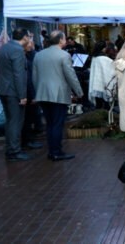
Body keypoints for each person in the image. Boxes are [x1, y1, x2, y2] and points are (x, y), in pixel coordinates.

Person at [33, 30, 84, 161]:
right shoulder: (64, 55)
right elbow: (70, 75)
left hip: (42, 93)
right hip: (58, 94)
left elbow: (34, 76)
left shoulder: (39, 55)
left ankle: (52, 150)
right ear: (61, 40)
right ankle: (56, 151)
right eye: (65, 38)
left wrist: (37, 91)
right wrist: (79, 91)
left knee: (50, 124)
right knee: (57, 124)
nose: (66, 40)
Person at [0, 27, 33, 162]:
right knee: (16, 122)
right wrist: (22, 95)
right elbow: (19, 74)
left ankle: (11, 149)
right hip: (13, 91)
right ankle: (14, 151)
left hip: (3, 90)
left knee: (10, 121)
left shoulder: (4, 47)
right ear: (24, 37)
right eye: (29, 37)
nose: (30, 39)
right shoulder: (18, 50)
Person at [22, 33, 43, 150]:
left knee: (31, 116)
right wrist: (33, 95)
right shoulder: (26, 58)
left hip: (30, 91)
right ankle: (28, 140)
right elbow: (29, 78)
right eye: (29, 43)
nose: (31, 45)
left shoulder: (31, 55)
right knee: (28, 117)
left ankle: (30, 138)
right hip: (28, 92)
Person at [88, 41, 116, 109]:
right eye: (106, 47)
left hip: (96, 86)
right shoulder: (105, 59)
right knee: (106, 107)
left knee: (98, 106)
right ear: (103, 49)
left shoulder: (94, 57)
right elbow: (112, 72)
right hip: (104, 86)